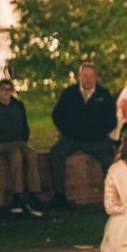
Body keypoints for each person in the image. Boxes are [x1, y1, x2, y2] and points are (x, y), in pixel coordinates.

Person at [49, 63, 117, 209]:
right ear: (80, 77)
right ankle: (59, 194)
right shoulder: (69, 93)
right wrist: (68, 132)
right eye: (85, 75)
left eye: (91, 75)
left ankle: (113, 196)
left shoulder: (104, 95)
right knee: (55, 153)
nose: (88, 79)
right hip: (72, 138)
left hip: (97, 140)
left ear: (96, 77)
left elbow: (112, 120)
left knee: (110, 161)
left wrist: (97, 134)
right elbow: (57, 115)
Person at [0, 79, 42, 217]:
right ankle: (18, 195)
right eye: (3, 89)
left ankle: (34, 193)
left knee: (31, 154)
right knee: (16, 156)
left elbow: (24, 125)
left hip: (18, 141)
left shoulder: (18, 106)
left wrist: (23, 139)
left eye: (9, 89)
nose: (6, 92)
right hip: (0, 143)